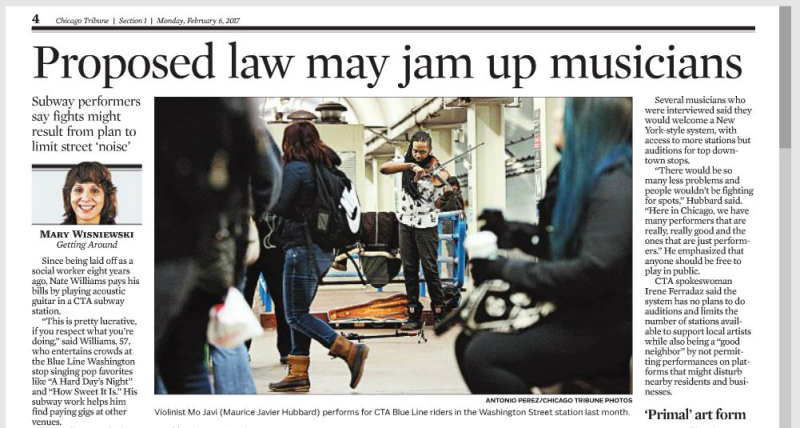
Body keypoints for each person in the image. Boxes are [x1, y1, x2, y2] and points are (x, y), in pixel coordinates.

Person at [458, 98, 633, 394]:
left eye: (567, 111)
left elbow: (592, 271)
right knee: (469, 338)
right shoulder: (584, 176)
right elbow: (566, 244)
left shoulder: (615, 186)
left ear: (590, 124)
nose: (556, 114)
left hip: (613, 324)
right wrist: (513, 233)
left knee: (484, 356)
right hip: (587, 308)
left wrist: (506, 269)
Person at [154, 98, 282, 394]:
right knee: (196, 355)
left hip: (157, 247)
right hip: (213, 247)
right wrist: (243, 216)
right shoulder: (231, 106)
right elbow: (269, 178)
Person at [268, 121, 368, 393]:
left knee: (294, 315)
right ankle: (298, 374)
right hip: (322, 251)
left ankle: (348, 350)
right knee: (300, 311)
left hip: (301, 249)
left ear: (289, 143)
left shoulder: (296, 168)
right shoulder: (327, 169)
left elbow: (279, 205)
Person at [380, 131, 449, 330]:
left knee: (429, 268)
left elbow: (436, 204)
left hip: (426, 224)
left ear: (430, 150)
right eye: (415, 151)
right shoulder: (404, 162)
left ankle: (439, 310)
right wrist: (411, 165)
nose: (418, 155)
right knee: (409, 268)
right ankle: (413, 313)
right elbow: (384, 168)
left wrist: (445, 196)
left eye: (423, 152)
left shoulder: (436, 169)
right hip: (405, 222)